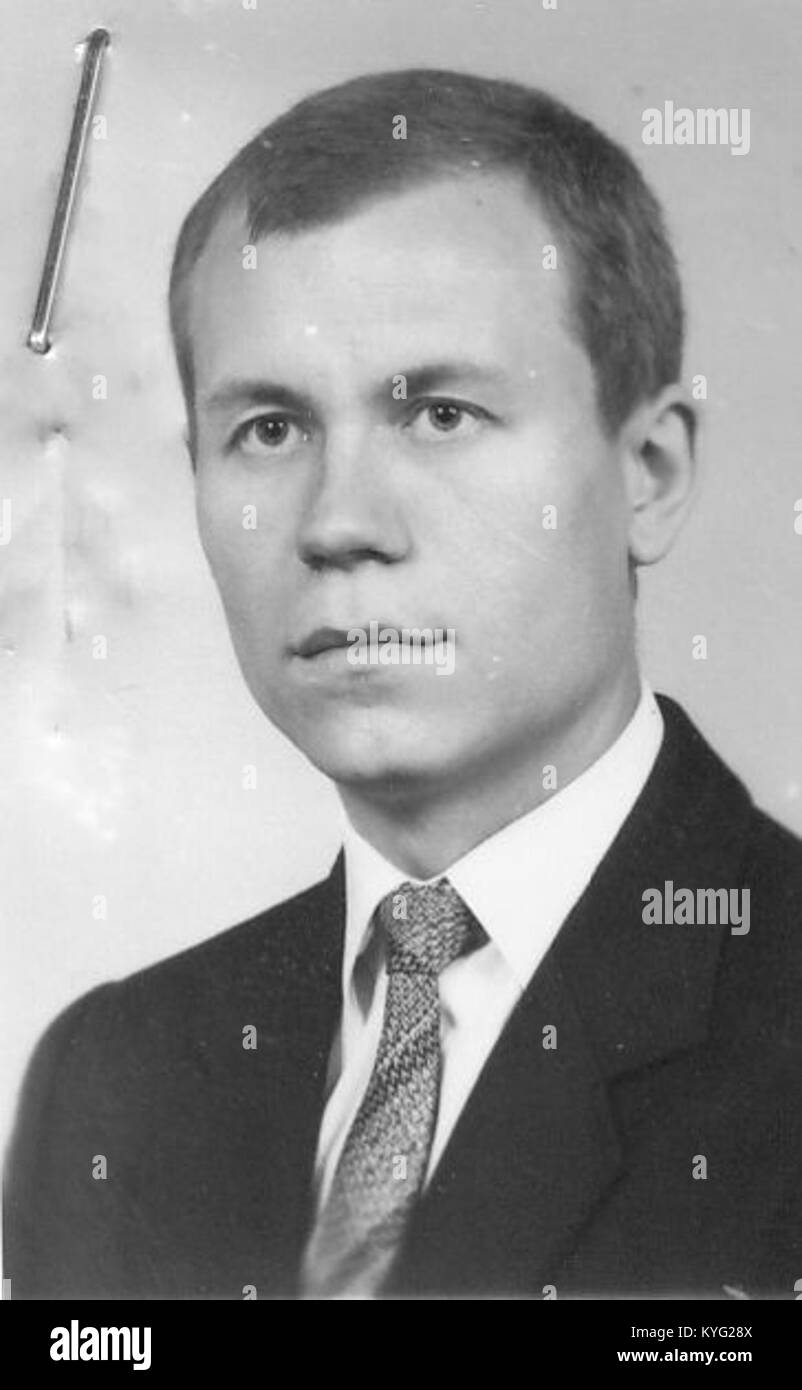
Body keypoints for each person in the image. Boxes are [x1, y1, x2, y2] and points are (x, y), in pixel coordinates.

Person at [5, 68, 802, 1301]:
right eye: (270, 429)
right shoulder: (112, 1076)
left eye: (438, 413)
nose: (340, 523)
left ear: (646, 474)